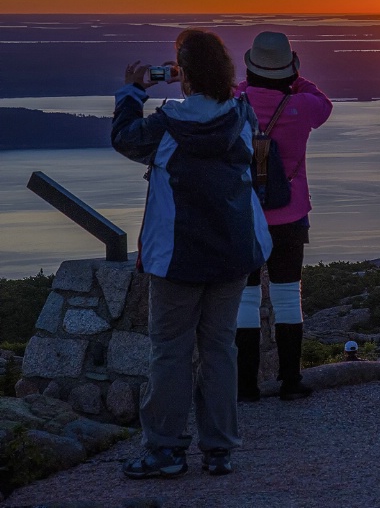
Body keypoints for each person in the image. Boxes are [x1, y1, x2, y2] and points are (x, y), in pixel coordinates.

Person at [112, 29, 271, 478]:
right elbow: (239, 120)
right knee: (219, 349)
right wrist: (199, 77)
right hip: (231, 252)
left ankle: (165, 450)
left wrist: (132, 91)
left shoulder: (167, 124)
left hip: (177, 257)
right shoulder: (242, 115)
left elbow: (126, 138)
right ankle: (219, 448)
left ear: (184, 74)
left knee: (171, 351)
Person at [234, 31, 333, 401]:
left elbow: (237, 89)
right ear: (289, 69)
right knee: (288, 297)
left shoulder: (235, 102)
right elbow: (323, 103)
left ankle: (246, 385)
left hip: (243, 215)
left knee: (244, 299)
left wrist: (251, 81)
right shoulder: (303, 106)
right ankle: (290, 381)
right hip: (289, 215)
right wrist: (295, 77)